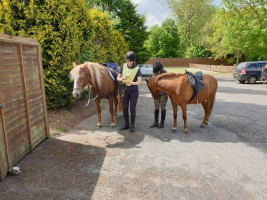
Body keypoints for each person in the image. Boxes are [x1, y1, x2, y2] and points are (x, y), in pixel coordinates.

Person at [117, 51, 142, 133]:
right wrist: (121, 79)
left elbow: (139, 82)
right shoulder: (123, 66)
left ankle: (132, 125)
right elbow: (118, 78)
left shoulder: (137, 69)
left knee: (132, 108)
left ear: (133, 61)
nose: (129, 62)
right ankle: (126, 124)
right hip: (124, 90)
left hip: (134, 90)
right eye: (128, 61)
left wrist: (131, 83)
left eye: (131, 61)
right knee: (124, 108)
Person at [150, 62, 168, 128]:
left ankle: (162, 123)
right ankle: (156, 122)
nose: (155, 74)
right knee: (156, 107)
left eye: (157, 72)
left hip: (163, 94)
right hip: (156, 94)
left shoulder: (166, 74)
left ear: (160, 70)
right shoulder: (154, 74)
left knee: (163, 107)